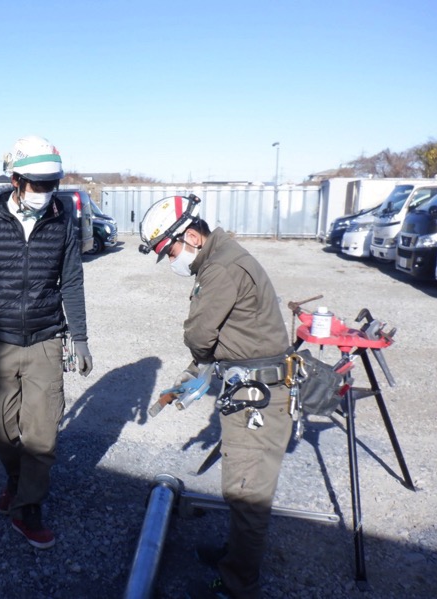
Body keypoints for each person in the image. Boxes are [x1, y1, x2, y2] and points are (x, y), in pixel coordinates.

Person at [139, 196, 292, 599]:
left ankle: (238, 586)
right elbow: (220, 341)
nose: (172, 260)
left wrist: (196, 362)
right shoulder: (218, 258)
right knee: (241, 486)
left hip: (259, 398)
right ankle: (235, 558)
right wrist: (192, 377)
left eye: (170, 251)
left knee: (246, 495)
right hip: (251, 388)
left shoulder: (220, 267)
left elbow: (200, 336)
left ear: (191, 236)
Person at [0, 135, 93, 549]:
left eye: (52, 184)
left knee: (42, 431)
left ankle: (28, 505)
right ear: (15, 180)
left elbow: (72, 281)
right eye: (38, 184)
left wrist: (79, 338)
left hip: (47, 340)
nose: (46, 193)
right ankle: (16, 478)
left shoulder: (62, 222)